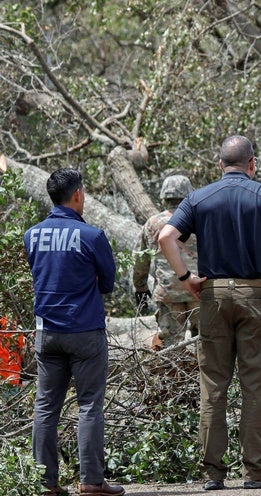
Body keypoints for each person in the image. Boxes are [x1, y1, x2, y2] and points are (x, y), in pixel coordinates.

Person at [158, 135, 261, 491]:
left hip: (213, 295)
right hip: (256, 294)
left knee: (213, 386)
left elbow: (166, 237)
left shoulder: (198, 197)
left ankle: (213, 474)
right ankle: (255, 472)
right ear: (252, 164)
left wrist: (186, 278)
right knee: (256, 385)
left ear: (220, 164)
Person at [24, 168, 125, 496]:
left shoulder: (32, 235)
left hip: (47, 333)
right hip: (85, 332)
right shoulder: (92, 236)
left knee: (45, 407)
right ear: (78, 194)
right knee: (89, 405)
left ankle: (45, 483)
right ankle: (91, 481)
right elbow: (107, 283)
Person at [133, 174, 200, 349]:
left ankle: (174, 366)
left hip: (168, 292)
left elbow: (141, 259)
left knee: (171, 346)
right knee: (204, 342)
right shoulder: (200, 220)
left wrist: (140, 288)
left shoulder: (152, 223)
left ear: (164, 196)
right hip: (198, 290)